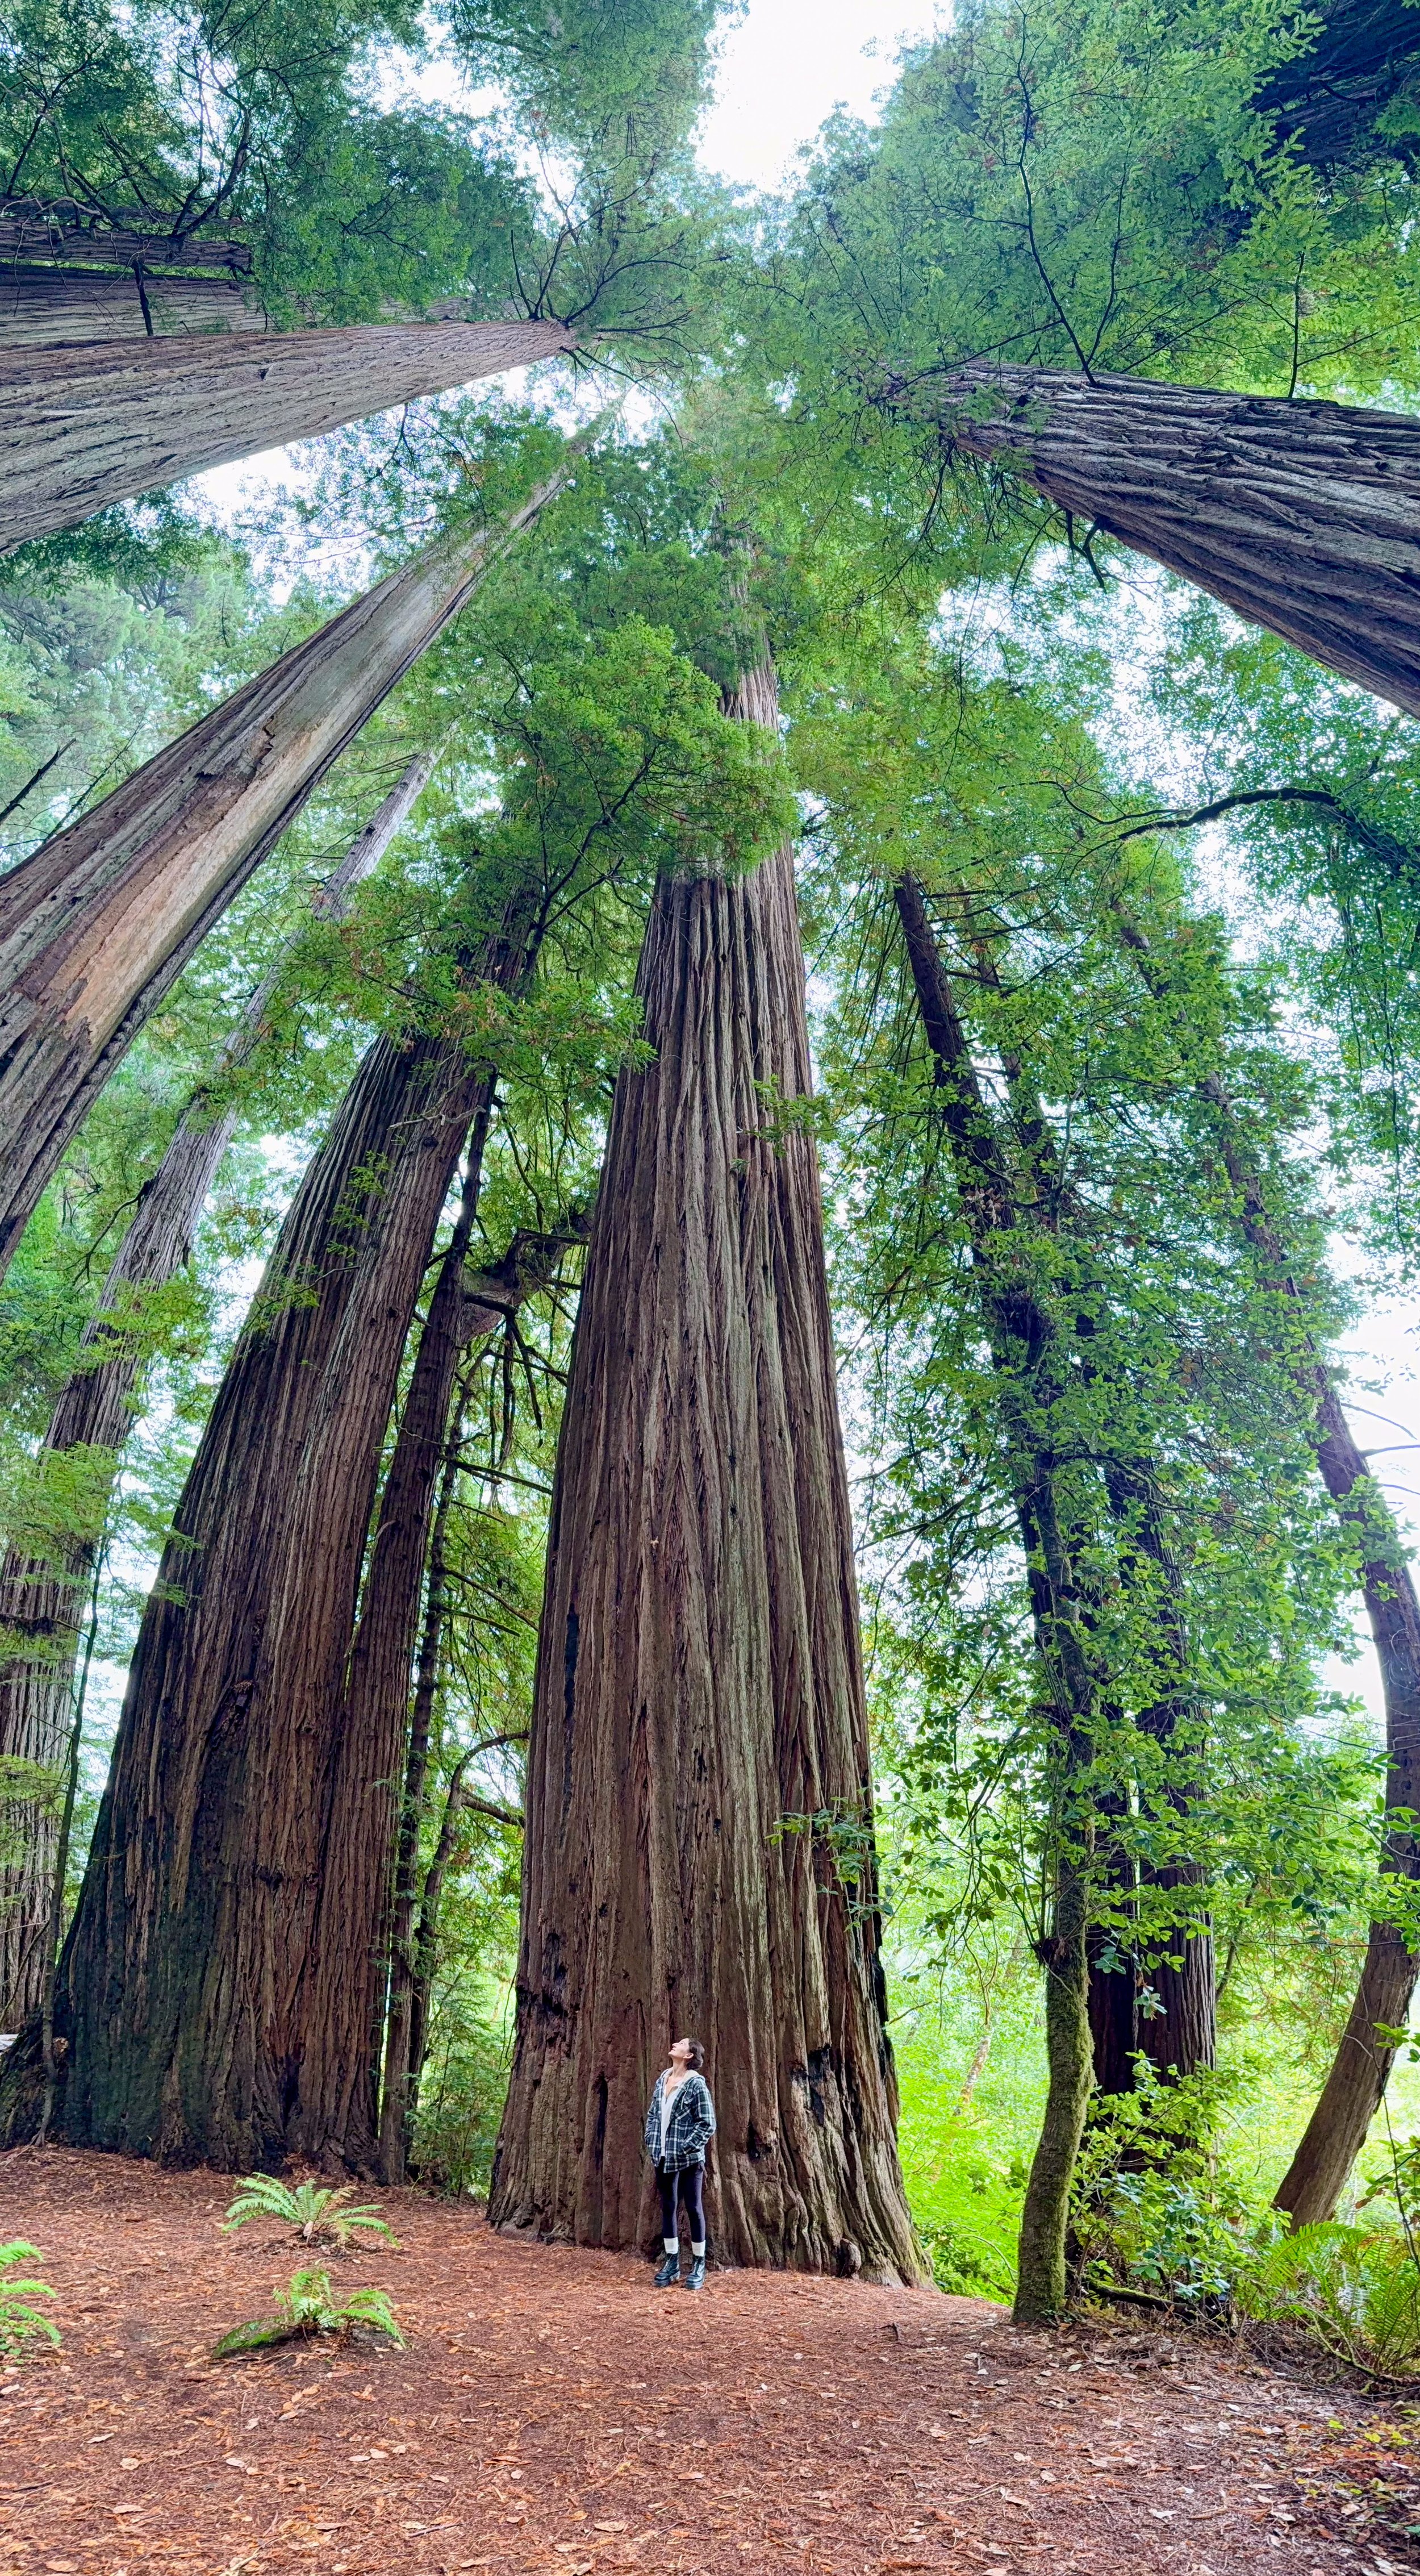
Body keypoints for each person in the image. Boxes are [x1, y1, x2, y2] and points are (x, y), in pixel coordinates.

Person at [644, 2035, 716, 2289]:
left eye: (682, 2044)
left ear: (689, 2056)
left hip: (689, 2159)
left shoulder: (696, 2084)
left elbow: (708, 2123)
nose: (675, 2044)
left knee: (694, 2208)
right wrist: (652, 2141)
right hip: (662, 2156)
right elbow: (654, 2114)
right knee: (668, 2207)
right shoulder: (663, 2079)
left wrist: (686, 2147)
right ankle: (672, 2263)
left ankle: (698, 2265)